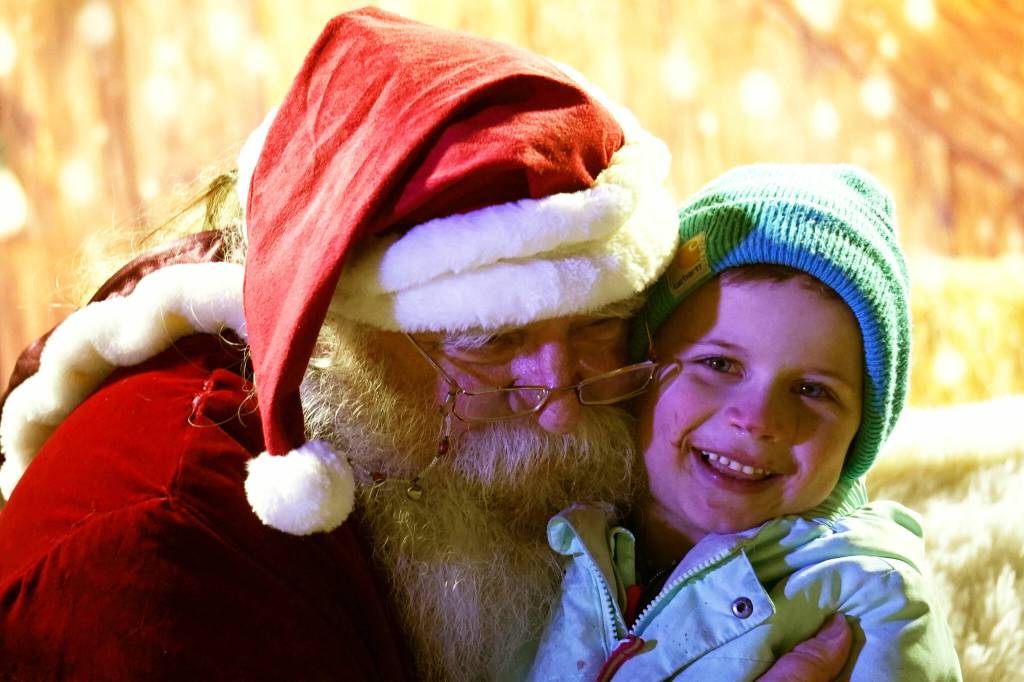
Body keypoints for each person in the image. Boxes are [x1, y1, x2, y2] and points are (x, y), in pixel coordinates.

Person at [0, 10, 848, 681]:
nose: (558, 402)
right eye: (490, 339)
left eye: (597, 322)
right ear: (338, 331)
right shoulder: (169, 557)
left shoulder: (422, 449)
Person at [529, 163, 963, 680]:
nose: (757, 420)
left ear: (858, 438)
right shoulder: (551, 532)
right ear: (642, 365)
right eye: (719, 364)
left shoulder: (872, 601)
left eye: (812, 391)